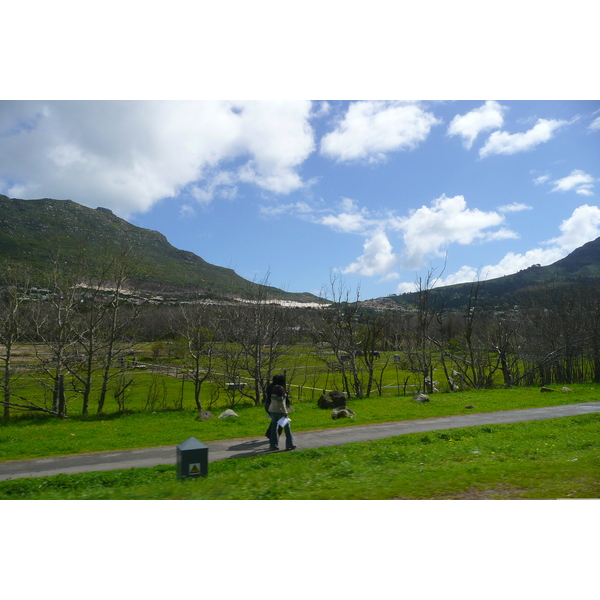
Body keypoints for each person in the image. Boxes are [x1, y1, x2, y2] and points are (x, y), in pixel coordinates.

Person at [267, 384, 296, 451]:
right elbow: (282, 404)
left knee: (274, 428)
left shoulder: (273, 394)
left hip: (272, 410)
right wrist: (285, 412)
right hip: (280, 412)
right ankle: (290, 444)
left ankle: (273, 445)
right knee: (287, 427)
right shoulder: (281, 396)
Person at [264, 374, 286, 439]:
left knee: (275, 420)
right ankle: (273, 434)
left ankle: (270, 434)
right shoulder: (278, 388)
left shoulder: (270, 387)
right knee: (280, 420)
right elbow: (280, 400)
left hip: (268, 405)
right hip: (274, 406)